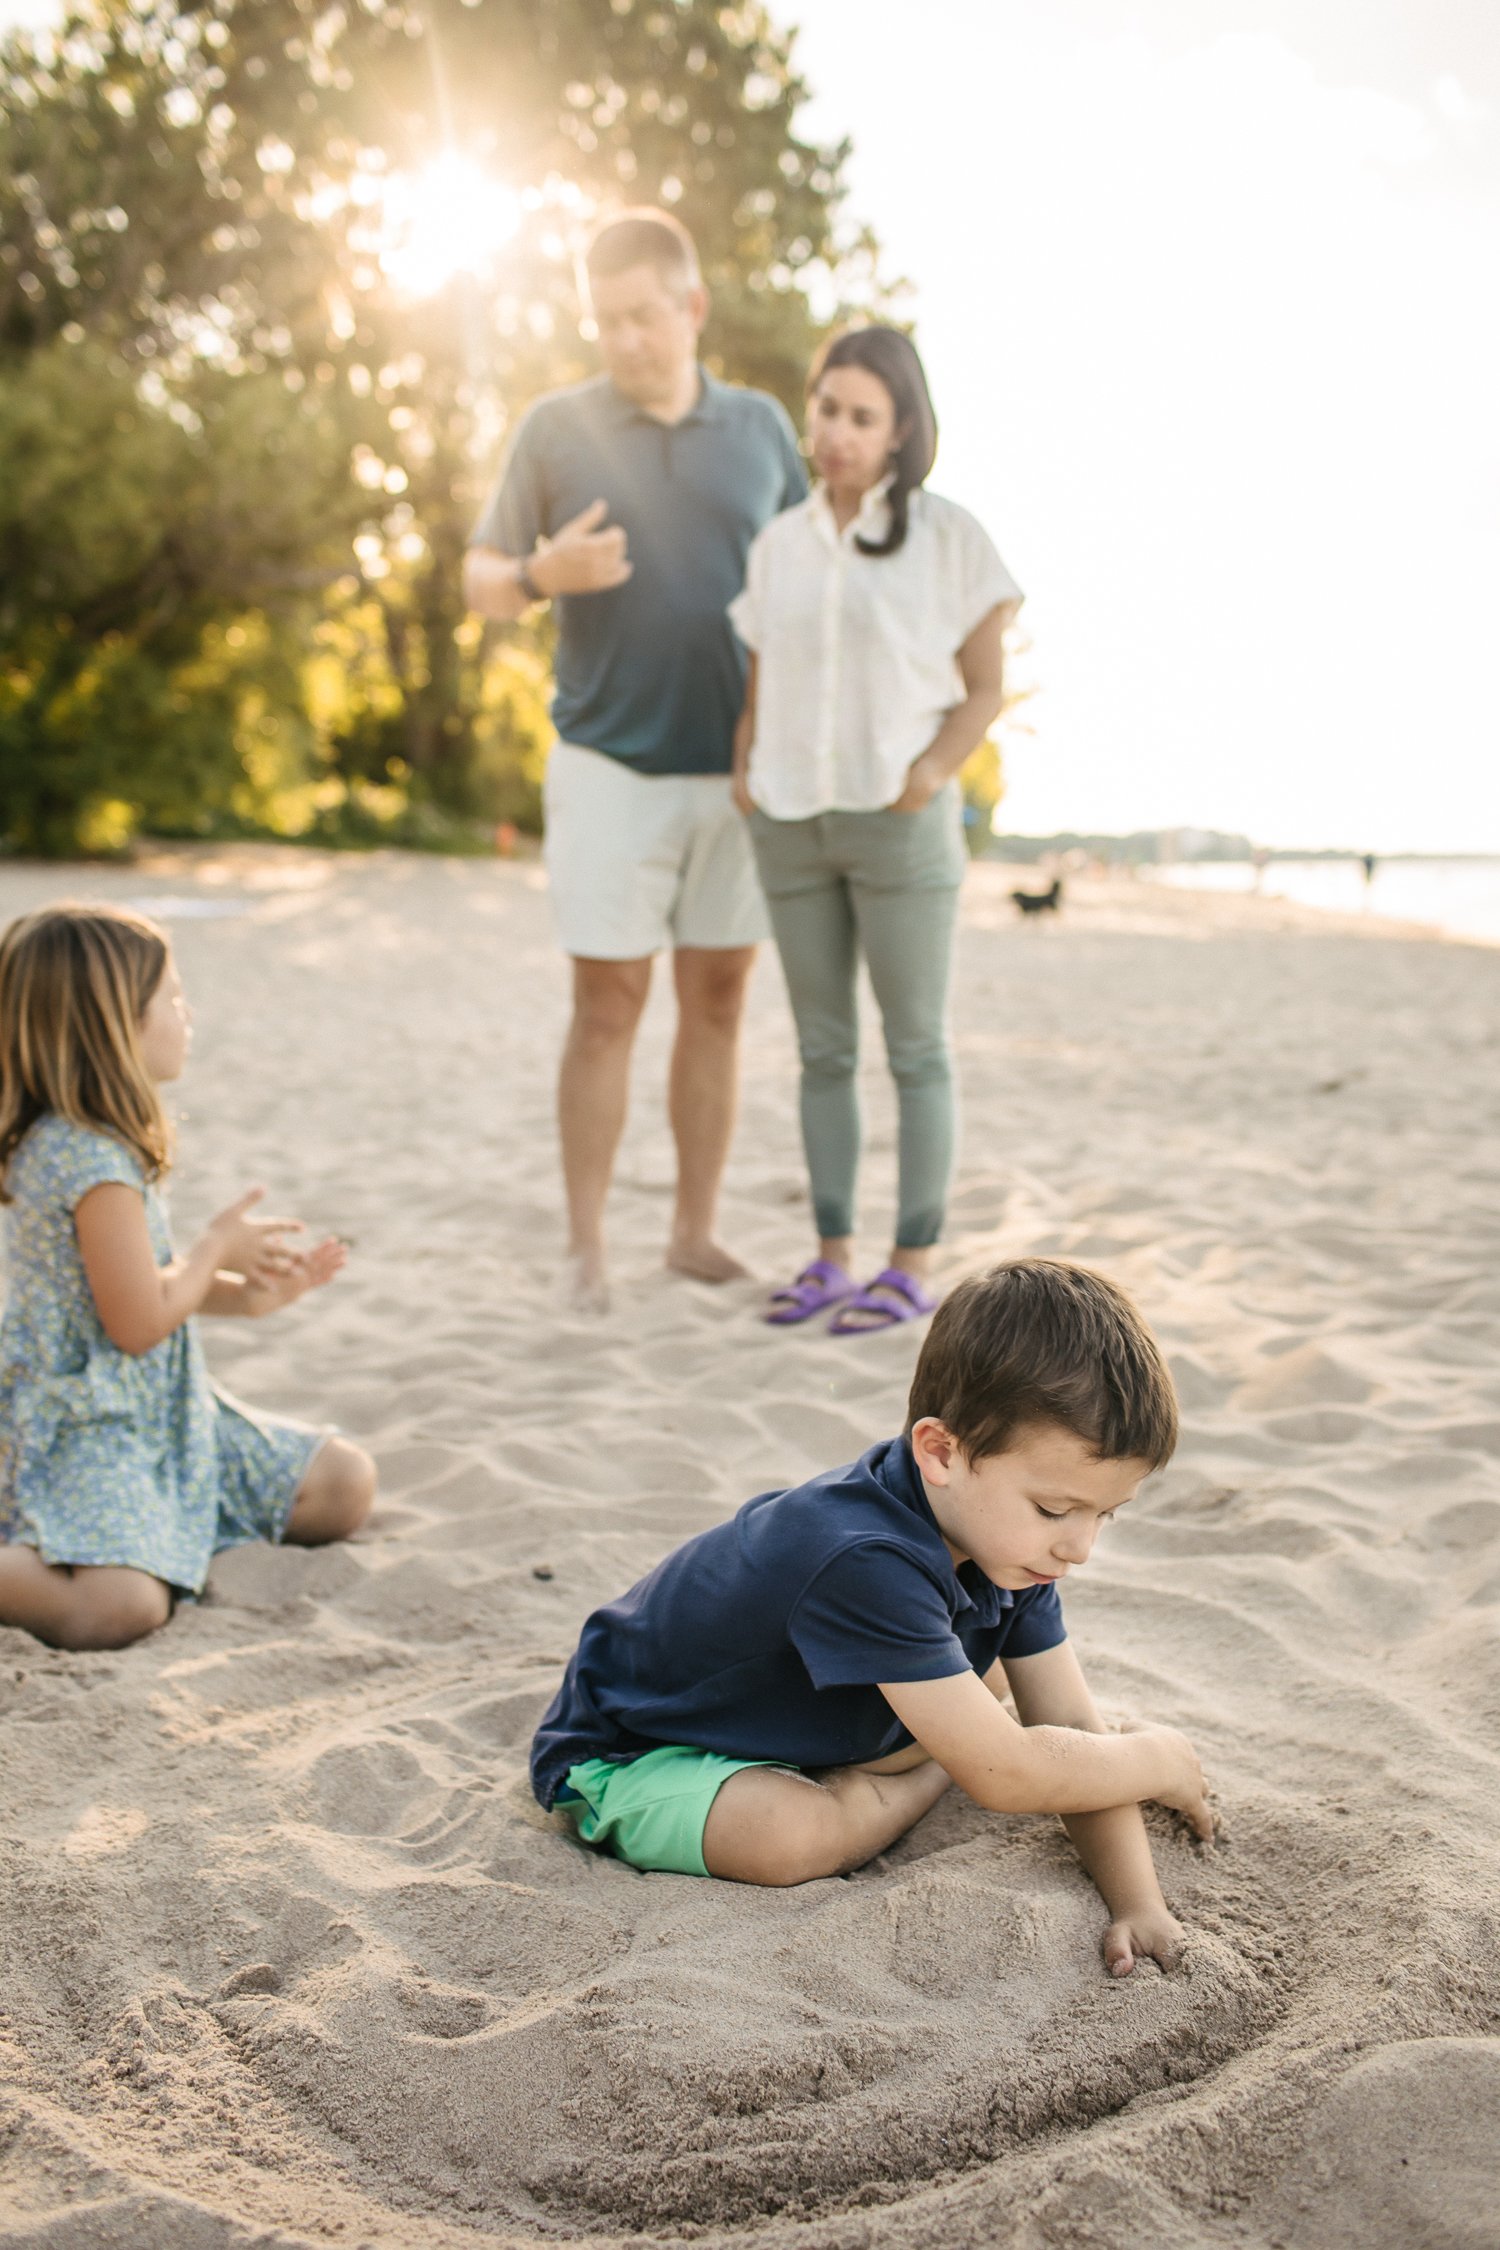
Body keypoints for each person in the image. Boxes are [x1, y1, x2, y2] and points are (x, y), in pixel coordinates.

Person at [531, 1259, 1213, 1976]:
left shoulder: (1016, 1550)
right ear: (940, 1450)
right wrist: (1155, 1759)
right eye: (1055, 1508)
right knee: (786, 1836)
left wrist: (1140, 1904)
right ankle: (931, 1768)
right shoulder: (862, 1558)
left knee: (1005, 1713)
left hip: (798, 1718)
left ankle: (951, 1744)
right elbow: (1014, 1775)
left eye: (1105, 1513)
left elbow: (1071, 1732)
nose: (1079, 1546)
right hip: (632, 1750)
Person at [464, 209, 807, 1311]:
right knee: (607, 1004)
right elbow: (479, 579)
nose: (623, 341)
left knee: (718, 996)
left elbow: (814, 578)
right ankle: (585, 1247)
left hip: (740, 770)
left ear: (693, 307)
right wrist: (536, 574)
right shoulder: (555, 428)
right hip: (608, 761)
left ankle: (694, 1234)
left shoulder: (761, 430)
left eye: (643, 318)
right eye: (604, 322)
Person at [729, 326, 1023, 1334]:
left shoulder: (951, 538)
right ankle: (829, 1258)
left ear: (900, 431)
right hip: (792, 825)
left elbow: (985, 688)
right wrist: (746, 770)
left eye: (863, 416)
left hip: (901, 826)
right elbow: (763, 675)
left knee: (915, 1050)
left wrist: (931, 773)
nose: (838, 432)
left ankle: (910, 1262)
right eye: (827, 409)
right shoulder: (778, 545)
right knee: (822, 1049)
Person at [0, 905, 376, 1651]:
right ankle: (120, 1545)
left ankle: (157, 1528)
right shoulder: (89, 1164)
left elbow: (138, 1289)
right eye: (171, 998)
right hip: (92, 1428)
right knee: (121, 1608)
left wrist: (251, 1296)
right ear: (115, 1027)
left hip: (166, 1414)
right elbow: (136, 1325)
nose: (187, 1011)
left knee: (342, 1483)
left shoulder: (100, 1142)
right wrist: (216, 1247)